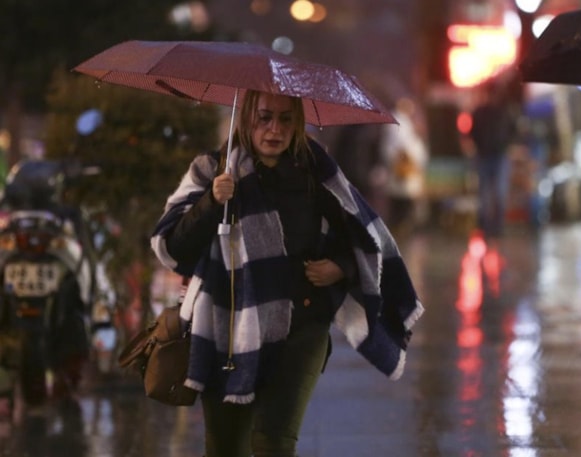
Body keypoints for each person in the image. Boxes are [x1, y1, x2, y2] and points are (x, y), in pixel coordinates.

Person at [150, 90, 424, 457]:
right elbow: (174, 248)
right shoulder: (213, 170)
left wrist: (340, 267)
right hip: (227, 330)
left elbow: (362, 235)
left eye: (285, 119)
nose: (274, 129)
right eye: (264, 118)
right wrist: (211, 202)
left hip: (301, 329)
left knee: (274, 444)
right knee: (226, 448)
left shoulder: (315, 168)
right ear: (246, 118)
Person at [468, 81, 517, 238]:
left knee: (499, 193)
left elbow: (513, 131)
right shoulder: (479, 112)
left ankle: (497, 227)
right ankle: (484, 227)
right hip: (484, 156)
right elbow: (472, 133)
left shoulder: (504, 112)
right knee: (484, 193)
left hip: (499, 156)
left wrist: (506, 146)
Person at [380, 97, 429, 237]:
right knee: (401, 202)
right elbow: (403, 146)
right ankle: (400, 227)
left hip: (403, 169)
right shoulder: (398, 122)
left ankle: (401, 226)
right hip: (402, 170)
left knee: (401, 200)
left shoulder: (401, 122)